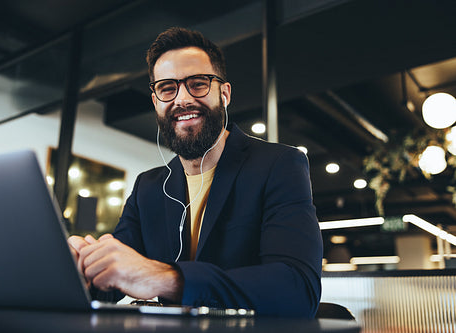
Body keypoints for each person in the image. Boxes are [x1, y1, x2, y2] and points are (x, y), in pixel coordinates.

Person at [68, 27, 323, 317]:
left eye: (198, 84)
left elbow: (298, 290)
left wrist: (166, 277)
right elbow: (112, 280)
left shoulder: (279, 165)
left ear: (224, 94)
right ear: (156, 102)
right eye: (167, 88)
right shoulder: (148, 187)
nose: (182, 99)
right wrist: (82, 267)